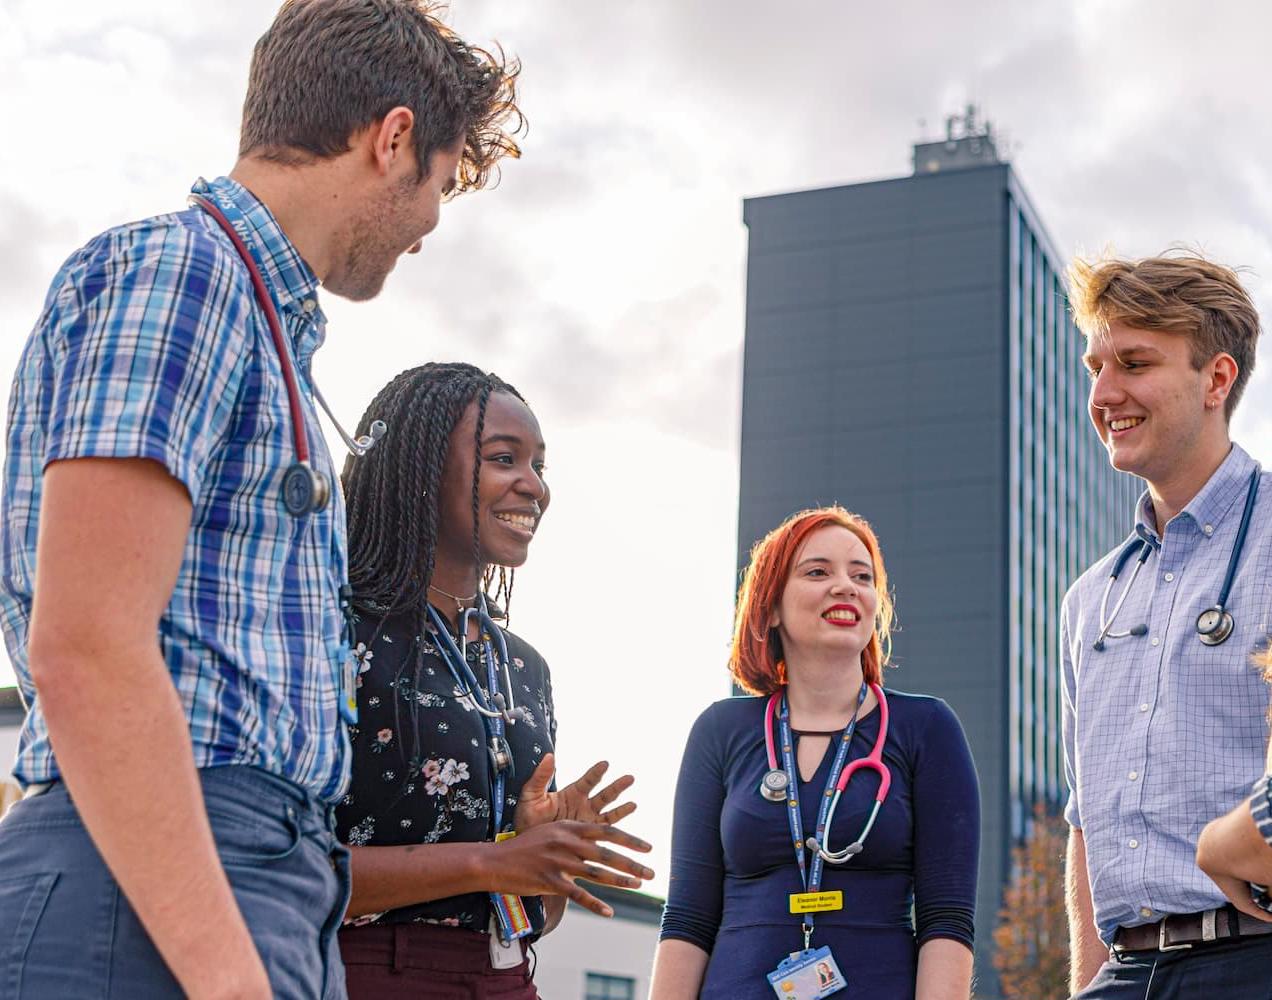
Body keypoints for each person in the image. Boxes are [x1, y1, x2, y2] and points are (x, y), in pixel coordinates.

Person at [0, 3, 522, 997]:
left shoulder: (253, 322)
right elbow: (90, 648)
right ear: (393, 139)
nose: (429, 227)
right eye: (441, 185)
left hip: (243, 882)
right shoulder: (185, 275)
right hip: (162, 881)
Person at [335, 363, 654, 998]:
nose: (534, 486)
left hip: (506, 975)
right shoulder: (335, 632)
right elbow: (275, 867)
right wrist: (492, 860)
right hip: (360, 974)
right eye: (504, 459)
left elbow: (537, 915)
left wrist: (544, 854)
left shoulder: (523, 666)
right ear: (421, 467)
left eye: (540, 465)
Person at [650, 506, 979, 1000]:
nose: (846, 586)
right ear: (771, 606)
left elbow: (947, 920)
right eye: (818, 572)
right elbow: (687, 919)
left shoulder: (927, 728)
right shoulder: (719, 731)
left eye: (862, 576)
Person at [1061, 252, 1272, 997]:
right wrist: (1088, 985)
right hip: (1124, 974)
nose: (1104, 394)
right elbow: (1085, 823)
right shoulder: (1089, 600)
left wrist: (1234, 840)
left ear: (1216, 379)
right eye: (1096, 368)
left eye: (1135, 363)